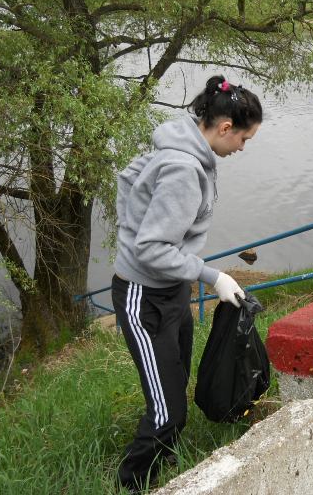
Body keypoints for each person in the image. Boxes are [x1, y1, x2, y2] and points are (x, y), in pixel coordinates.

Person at [112, 75, 263, 492]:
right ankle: (131, 483)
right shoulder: (182, 167)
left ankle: (163, 460)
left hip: (171, 289)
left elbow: (127, 180)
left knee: (174, 386)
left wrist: (132, 229)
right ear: (225, 127)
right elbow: (151, 249)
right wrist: (213, 276)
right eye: (244, 139)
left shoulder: (186, 147)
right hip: (144, 297)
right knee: (168, 413)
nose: (242, 148)